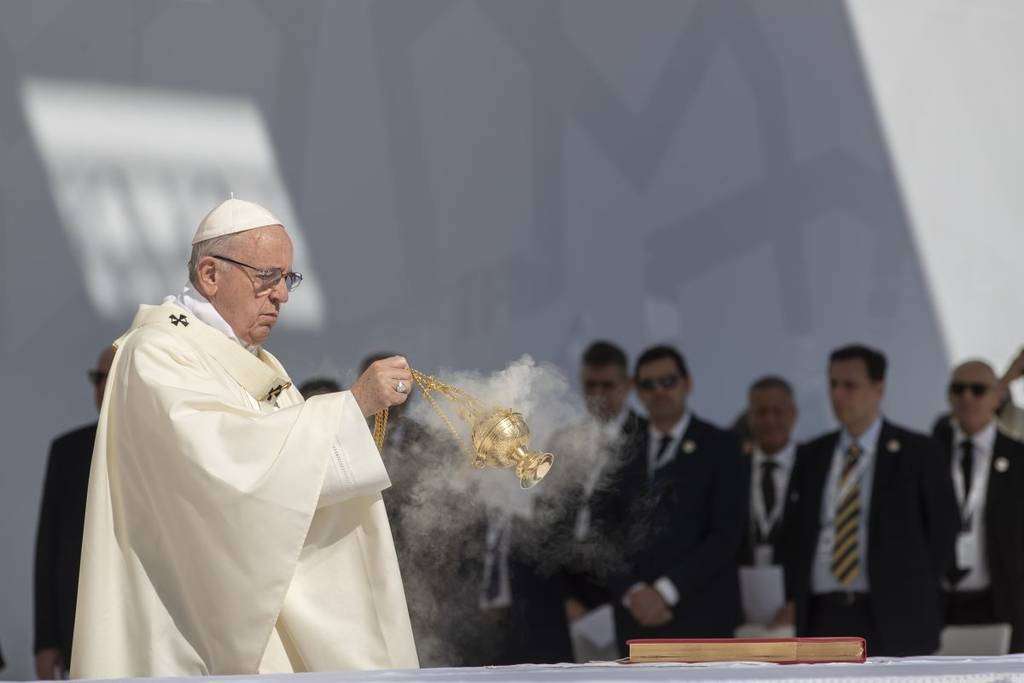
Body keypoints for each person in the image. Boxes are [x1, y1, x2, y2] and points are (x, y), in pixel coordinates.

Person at [71, 198, 419, 678]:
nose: (282, 296)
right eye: (268, 277)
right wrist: (351, 406)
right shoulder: (156, 354)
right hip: (188, 629)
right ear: (211, 274)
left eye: (288, 279)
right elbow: (224, 464)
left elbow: (286, 475)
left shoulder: (251, 361)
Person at [781, 344, 957, 656]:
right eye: (833, 384)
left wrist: (915, 589)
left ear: (878, 388)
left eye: (849, 385)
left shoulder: (918, 452)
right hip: (823, 615)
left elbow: (943, 531)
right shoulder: (812, 455)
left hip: (896, 616)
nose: (838, 395)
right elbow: (795, 531)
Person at [591, 345, 748, 655]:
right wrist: (633, 592)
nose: (659, 391)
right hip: (634, 618)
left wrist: (664, 592)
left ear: (687, 383)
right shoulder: (619, 451)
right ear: (636, 390)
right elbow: (602, 533)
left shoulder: (722, 447)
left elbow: (726, 535)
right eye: (648, 385)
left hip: (702, 615)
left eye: (668, 381)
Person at [33, 346, 114, 679]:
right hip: (78, 627)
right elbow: (48, 549)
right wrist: (46, 640)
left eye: (110, 377)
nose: (102, 386)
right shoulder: (68, 452)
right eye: (97, 378)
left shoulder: (161, 448)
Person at [934, 360, 1024, 651]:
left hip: (1002, 600)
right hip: (937, 604)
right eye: (958, 390)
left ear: (998, 396)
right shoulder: (929, 452)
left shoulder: (1018, 457)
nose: (967, 398)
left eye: (978, 390)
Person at [739, 376, 798, 628]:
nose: (769, 420)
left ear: (793, 413)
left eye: (778, 411)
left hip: (797, 614)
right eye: (761, 412)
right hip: (740, 615)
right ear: (749, 416)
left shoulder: (813, 465)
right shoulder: (733, 468)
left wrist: (801, 602)